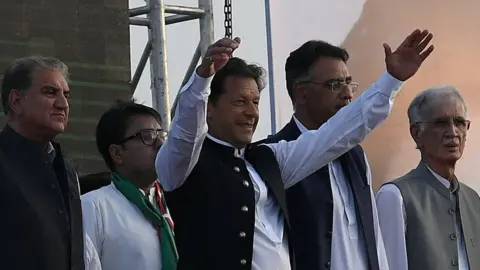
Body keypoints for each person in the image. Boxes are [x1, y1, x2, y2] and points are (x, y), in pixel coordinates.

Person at [156, 29, 433, 270]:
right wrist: (202, 80)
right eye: (239, 102)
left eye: (255, 102)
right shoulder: (183, 165)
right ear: (210, 108)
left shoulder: (269, 158)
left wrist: (391, 81)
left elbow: (337, 133)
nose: (251, 113)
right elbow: (185, 134)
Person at [262, 35, 430, 270]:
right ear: (301, 93)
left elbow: (374, 242)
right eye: (334, 85)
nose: (347, 94)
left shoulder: (355, 155)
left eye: (348, 84)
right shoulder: (273, 159)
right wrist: (391, 81)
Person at [376, 86, 480, 270]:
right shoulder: (394, 196)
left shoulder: (473, 199)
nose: (453, 132)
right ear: (417, 133)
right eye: (441, 123)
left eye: (459, 122)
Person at [0, 56, 84, 270]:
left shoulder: (66, 167)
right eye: (50, 92)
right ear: (16, 101)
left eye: (66, 95)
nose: (63, 105)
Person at [81, 100, 176, 270]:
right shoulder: (92, 206)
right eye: (148, 136)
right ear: (117, 153)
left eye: (161, 135)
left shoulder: (173, 202)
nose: (160, 144)